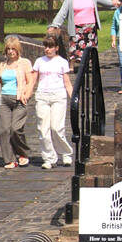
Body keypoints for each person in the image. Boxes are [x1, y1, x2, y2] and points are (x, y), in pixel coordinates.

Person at [51, 0, 116, 69]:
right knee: (74, 46)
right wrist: (55, 24)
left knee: (91, 47)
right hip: (76, 26)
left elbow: (104, 2)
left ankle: (91, 66)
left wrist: (116, 4)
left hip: (90, 26)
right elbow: (62, 12)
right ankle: (72, 66)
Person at [31, 34, 73, 169]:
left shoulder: (62, 62)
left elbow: (67, 83)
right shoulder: (39, 61)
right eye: (45, 47)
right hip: (42, 96)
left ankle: (66, 153)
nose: (47, 49)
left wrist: (73, 97)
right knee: (43, 129)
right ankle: (49, 158)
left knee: (56, 127)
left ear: (56, 48)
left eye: (50, 47)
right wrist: (27, 92)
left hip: (58, 96)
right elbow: (33, 80)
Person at [0, 35, 33, 169]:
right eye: (8, 49)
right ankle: (9, 159)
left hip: (18, 100)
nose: (11, 51)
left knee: (15, 129)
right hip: (4, 99)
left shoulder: (25, 63)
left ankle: (23, 153)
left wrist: (26, 95)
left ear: (18, 50)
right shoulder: (3, 65)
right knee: (4, 130)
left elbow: (30, 81)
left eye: (13, 49)